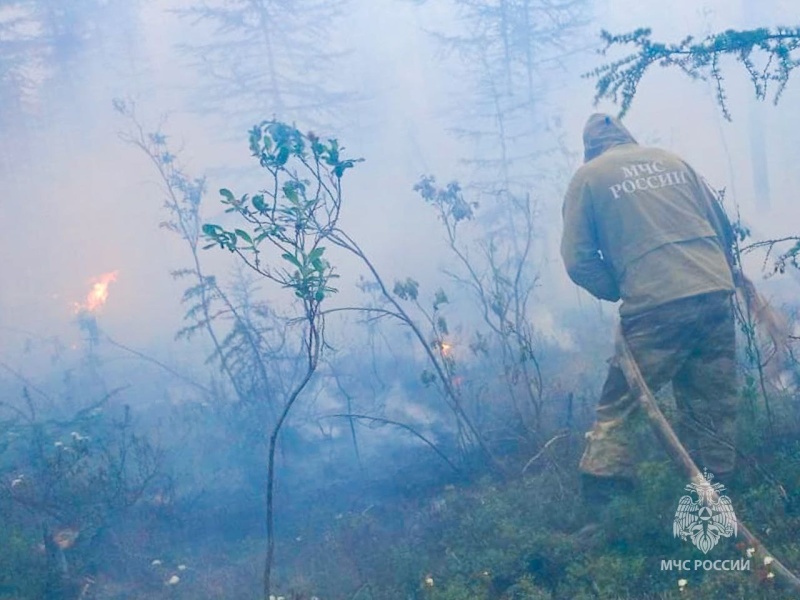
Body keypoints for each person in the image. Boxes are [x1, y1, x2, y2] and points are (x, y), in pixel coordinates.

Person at [560, 113, 739, 503]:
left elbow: (577, 260)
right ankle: (721, 503)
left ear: (590, 148)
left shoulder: (589, 177)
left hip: (656, 307)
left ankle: (608, 513)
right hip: (714, 295)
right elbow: (723, 230)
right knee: (712, 406)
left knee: (619, 408)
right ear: (628, 138)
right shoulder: (674, 161)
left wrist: (621, 288)